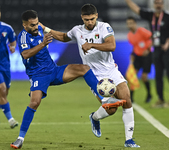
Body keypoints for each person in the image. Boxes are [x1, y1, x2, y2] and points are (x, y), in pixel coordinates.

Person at [10, 10, 126, 149]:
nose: (36, 27)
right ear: (25, 25)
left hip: (54, 70)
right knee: (35, 102)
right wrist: (42, 44)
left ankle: (105, 100)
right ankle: (20, 138)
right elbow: (25, 54)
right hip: (38, 75)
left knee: (84, 69)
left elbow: (62, 36)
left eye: (36, 24)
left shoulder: (40, 29)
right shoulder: (23, 36)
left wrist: (47, 30)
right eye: (32, 25)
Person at [39, 3, 140, 148]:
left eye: (92, 19)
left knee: (126, 97)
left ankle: (129, 139)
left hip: (111, 70)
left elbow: (112, 45)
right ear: (82, 18)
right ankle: (94, 118)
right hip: (94, 75)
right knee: (111, 110)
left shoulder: (104, 27)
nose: (90, 22)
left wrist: (92, 45)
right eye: (86, 19)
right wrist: (45, 29)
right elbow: (62, 36)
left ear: (96, 16)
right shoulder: (77, 30)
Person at [125, 0, 169, 108]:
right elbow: (137, 10)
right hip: (157, 50)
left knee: (168, 74)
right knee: (158, 75)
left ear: (163, 4)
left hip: (167, 49)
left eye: (160, 3)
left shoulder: (167, 17)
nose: (158, 5)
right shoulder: (151, 16)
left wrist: (168, 43)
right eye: (156, 3)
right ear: (154, 4)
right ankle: (160, 99)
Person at [126, 16, 152, 103]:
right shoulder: (129, 35)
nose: (130, 25)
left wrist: (148, 49)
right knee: (132, 75)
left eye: (131, 23)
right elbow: (135, 46)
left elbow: (151, 38)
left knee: (144, 77)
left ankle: (149, 94)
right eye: (128, 23)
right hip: (138, 56)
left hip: (146, 56)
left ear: (135, 23)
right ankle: (131, 97)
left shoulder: (141, 30)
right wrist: (132, 54)